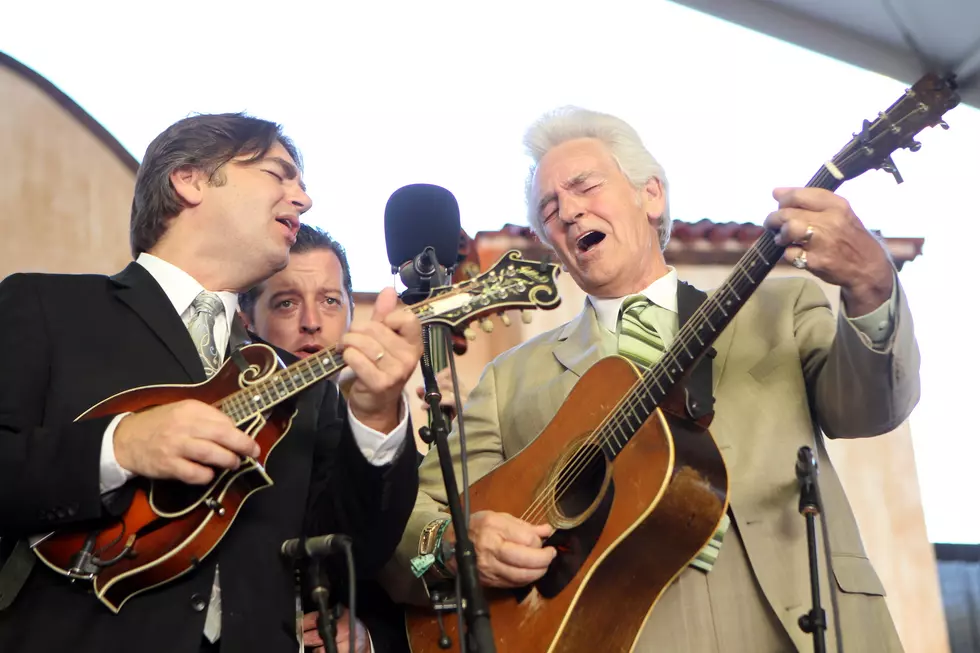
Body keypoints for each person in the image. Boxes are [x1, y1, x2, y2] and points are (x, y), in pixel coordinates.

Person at [384, 106, 919, 652]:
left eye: (585, 186)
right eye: (549, 208)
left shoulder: (779, 310)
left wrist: (872, 285)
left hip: (798, 622)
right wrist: (454, 544)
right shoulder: (510, 381)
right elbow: (407, 536)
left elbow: (872, 409)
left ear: (652, 195)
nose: (568, 211)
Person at [0, 113, 421, 653]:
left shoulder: (300, 380)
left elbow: (354, 551)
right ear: (191, 179)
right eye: (279, 173)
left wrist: (378, 415)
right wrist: (120, 446)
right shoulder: (45, 307)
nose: (304, 200)